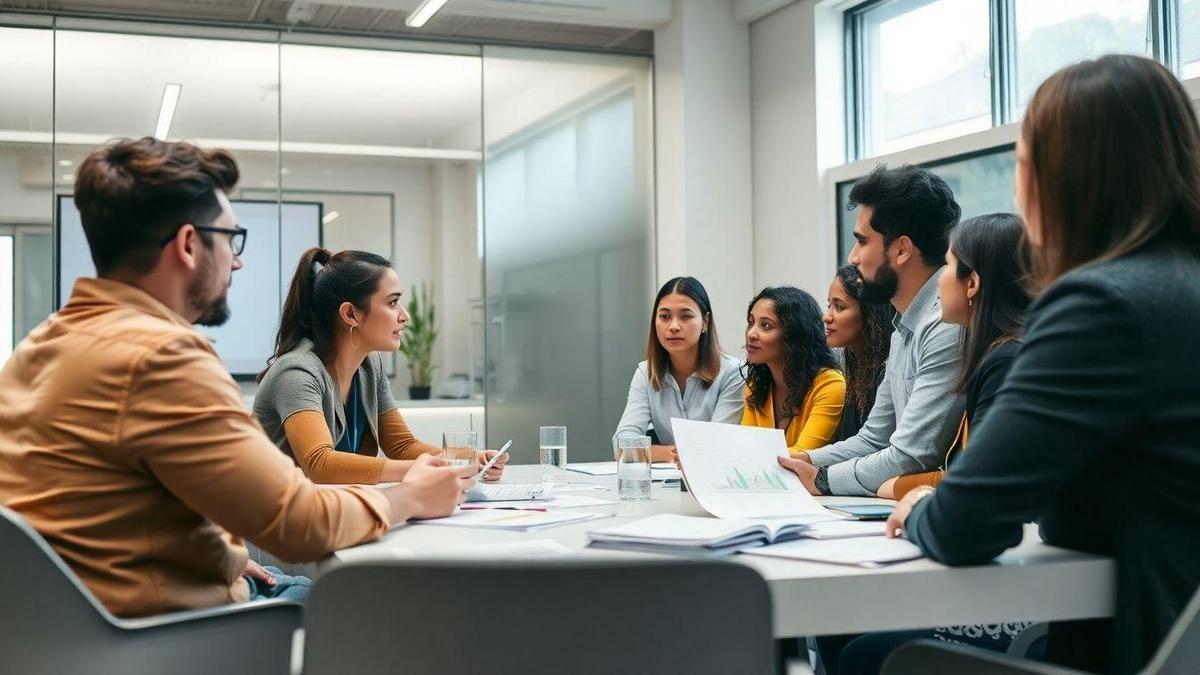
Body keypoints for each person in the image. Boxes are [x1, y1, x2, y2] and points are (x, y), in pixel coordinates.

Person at [0, 138, 471, 618]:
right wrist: (407, 498)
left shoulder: (39, 346)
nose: (237, 260)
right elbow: (298, 522)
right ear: (188, 245)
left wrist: (224, 556)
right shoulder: (163, 357)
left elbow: (99, 513)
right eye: (230, 238)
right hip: (165, 636)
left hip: (77, 626)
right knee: (393, 615)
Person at [888, 55, 1200, 674]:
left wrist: (920, 507)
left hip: (1133, 651)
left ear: (1057, 179)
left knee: (897, 660)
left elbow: (966, 525)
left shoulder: (1099, 306)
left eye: (1022, 164)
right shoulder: (1179, 288)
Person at [823, 213, 1033, 675]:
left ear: (972, 283)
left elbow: (971, 500)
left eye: (950, 269)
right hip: (1015, 575)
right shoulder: (997, 356)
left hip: (1023, 600)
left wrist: (916, 498)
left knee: (861, 650)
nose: (939, 286)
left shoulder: (1005, 362)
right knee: (840, 626)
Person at [779, 164, 964, 496]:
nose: (852, 258)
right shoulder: (902, 328)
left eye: (862, 242)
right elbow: (874, 439)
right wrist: (797, 458)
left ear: (902, 249)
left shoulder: (945, 325)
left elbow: (910, 456)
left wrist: (821, 479)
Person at [254, 248, 507, 485]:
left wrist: (469, 458)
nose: (404, 315)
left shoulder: (369, 366)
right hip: (286, 523)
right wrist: (430, 468)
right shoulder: (296, 372)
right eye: (393, 302)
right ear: (351, 314)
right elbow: (319, 463)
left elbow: (402, 446)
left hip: (337, 508)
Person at [612, 276, 744, 462]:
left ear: (705, 321)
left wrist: (648, 453)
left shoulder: (733, 373)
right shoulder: (646, 373)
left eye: (686, 316)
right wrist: (669, 453)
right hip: (667, 484)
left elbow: (717, 447)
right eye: (664, 316)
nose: (673, 326)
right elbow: (622, 446)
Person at [741, 287, 846, 455]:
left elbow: (802, 456)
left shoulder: (830, 384)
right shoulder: (757, 384)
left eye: (766, 326)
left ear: (794, 334)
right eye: (751, 323)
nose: (751, 334)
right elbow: (744, 448)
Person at [824, 264, 896, 442]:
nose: (827, 317)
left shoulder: (889, 370)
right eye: (829, 305)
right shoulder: (855, 369)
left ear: (870, 314)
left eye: (839, 307)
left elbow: (874, 446)